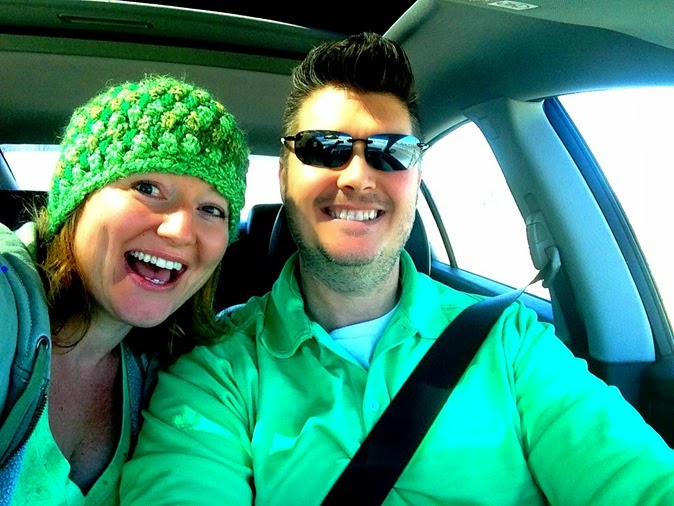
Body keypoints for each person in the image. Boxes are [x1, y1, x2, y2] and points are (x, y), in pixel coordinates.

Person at [119, 33, 674, 505]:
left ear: (417, 175)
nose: (358, 176)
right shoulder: (216, 368)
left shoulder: (510, 341)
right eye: (326, 147)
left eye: (391, 150)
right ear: (284, 176)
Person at [0, 75, 249, 505]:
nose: (180, 230)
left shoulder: (174, 381)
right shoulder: (7, 296)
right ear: (78, 198)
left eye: (211, 208)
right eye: (147, 188)